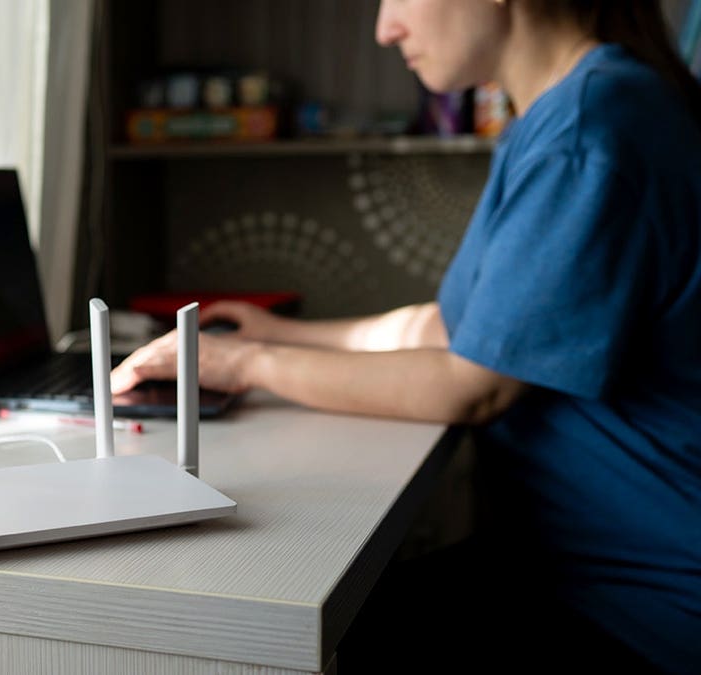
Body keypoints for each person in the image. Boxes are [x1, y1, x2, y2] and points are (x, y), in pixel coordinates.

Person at [111, 0, 701, 671]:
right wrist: (288, 335)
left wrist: (245, 362)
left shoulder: (587, 133)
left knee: (289, 629)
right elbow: (455, 327)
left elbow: (471, 386)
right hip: (583, 567)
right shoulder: (573, 110)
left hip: (642, 606)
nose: (384, 28)